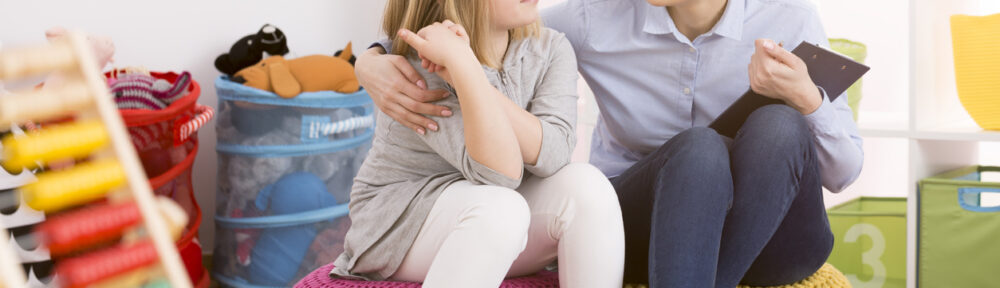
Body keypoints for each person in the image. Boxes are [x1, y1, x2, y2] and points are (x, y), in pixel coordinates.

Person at [356, 0, 864, 286]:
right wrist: (373, 60)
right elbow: (478, 20)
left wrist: (807, 99)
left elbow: (843, 172)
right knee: (698, 149)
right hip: (654, 226)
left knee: (780, 123)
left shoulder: (788, 17)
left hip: (775, 239)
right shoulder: (593, 19)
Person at [331, 0, 625, 287]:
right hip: (398, 226)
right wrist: (463, 66)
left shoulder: (549, 48)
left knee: (589, 187)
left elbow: (556, 154)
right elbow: (501, 174)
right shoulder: (423, 61)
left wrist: (465, 69)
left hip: (493, 216)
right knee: (501, 209)